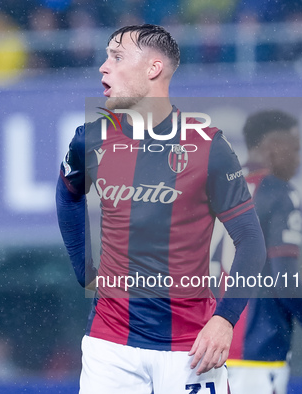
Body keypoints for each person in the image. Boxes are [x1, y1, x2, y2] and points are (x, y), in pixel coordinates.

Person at [56, 24, 266, 393]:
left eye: (117, 57)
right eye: (106, 56)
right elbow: (68, 193)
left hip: (192, 347)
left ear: (153, 69)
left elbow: (251, 241)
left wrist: (225, 320)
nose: (103, 67)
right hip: (110, 345)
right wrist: (84, 269)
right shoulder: (90, 139)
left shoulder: (209, 147)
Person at [224, 110, 302, 393]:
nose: (299, 160)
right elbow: (284, 280)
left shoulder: (216, 190)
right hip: (255, 352)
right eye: (296, 149)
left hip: (203, 350)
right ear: (274, 147)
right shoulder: (279, 193)